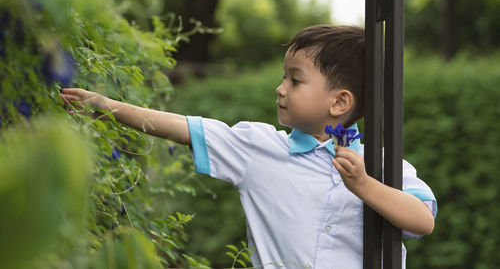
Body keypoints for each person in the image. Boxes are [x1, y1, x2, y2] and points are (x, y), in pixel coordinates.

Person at [59, 25, 437, 269]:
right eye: (282, 77)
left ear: (339, 102)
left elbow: (423, 220)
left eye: (295, 80)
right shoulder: (258, 148)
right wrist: (108, 107)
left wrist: (365, 186)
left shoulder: (381, 164)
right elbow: (186, 129)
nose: (280, 88)